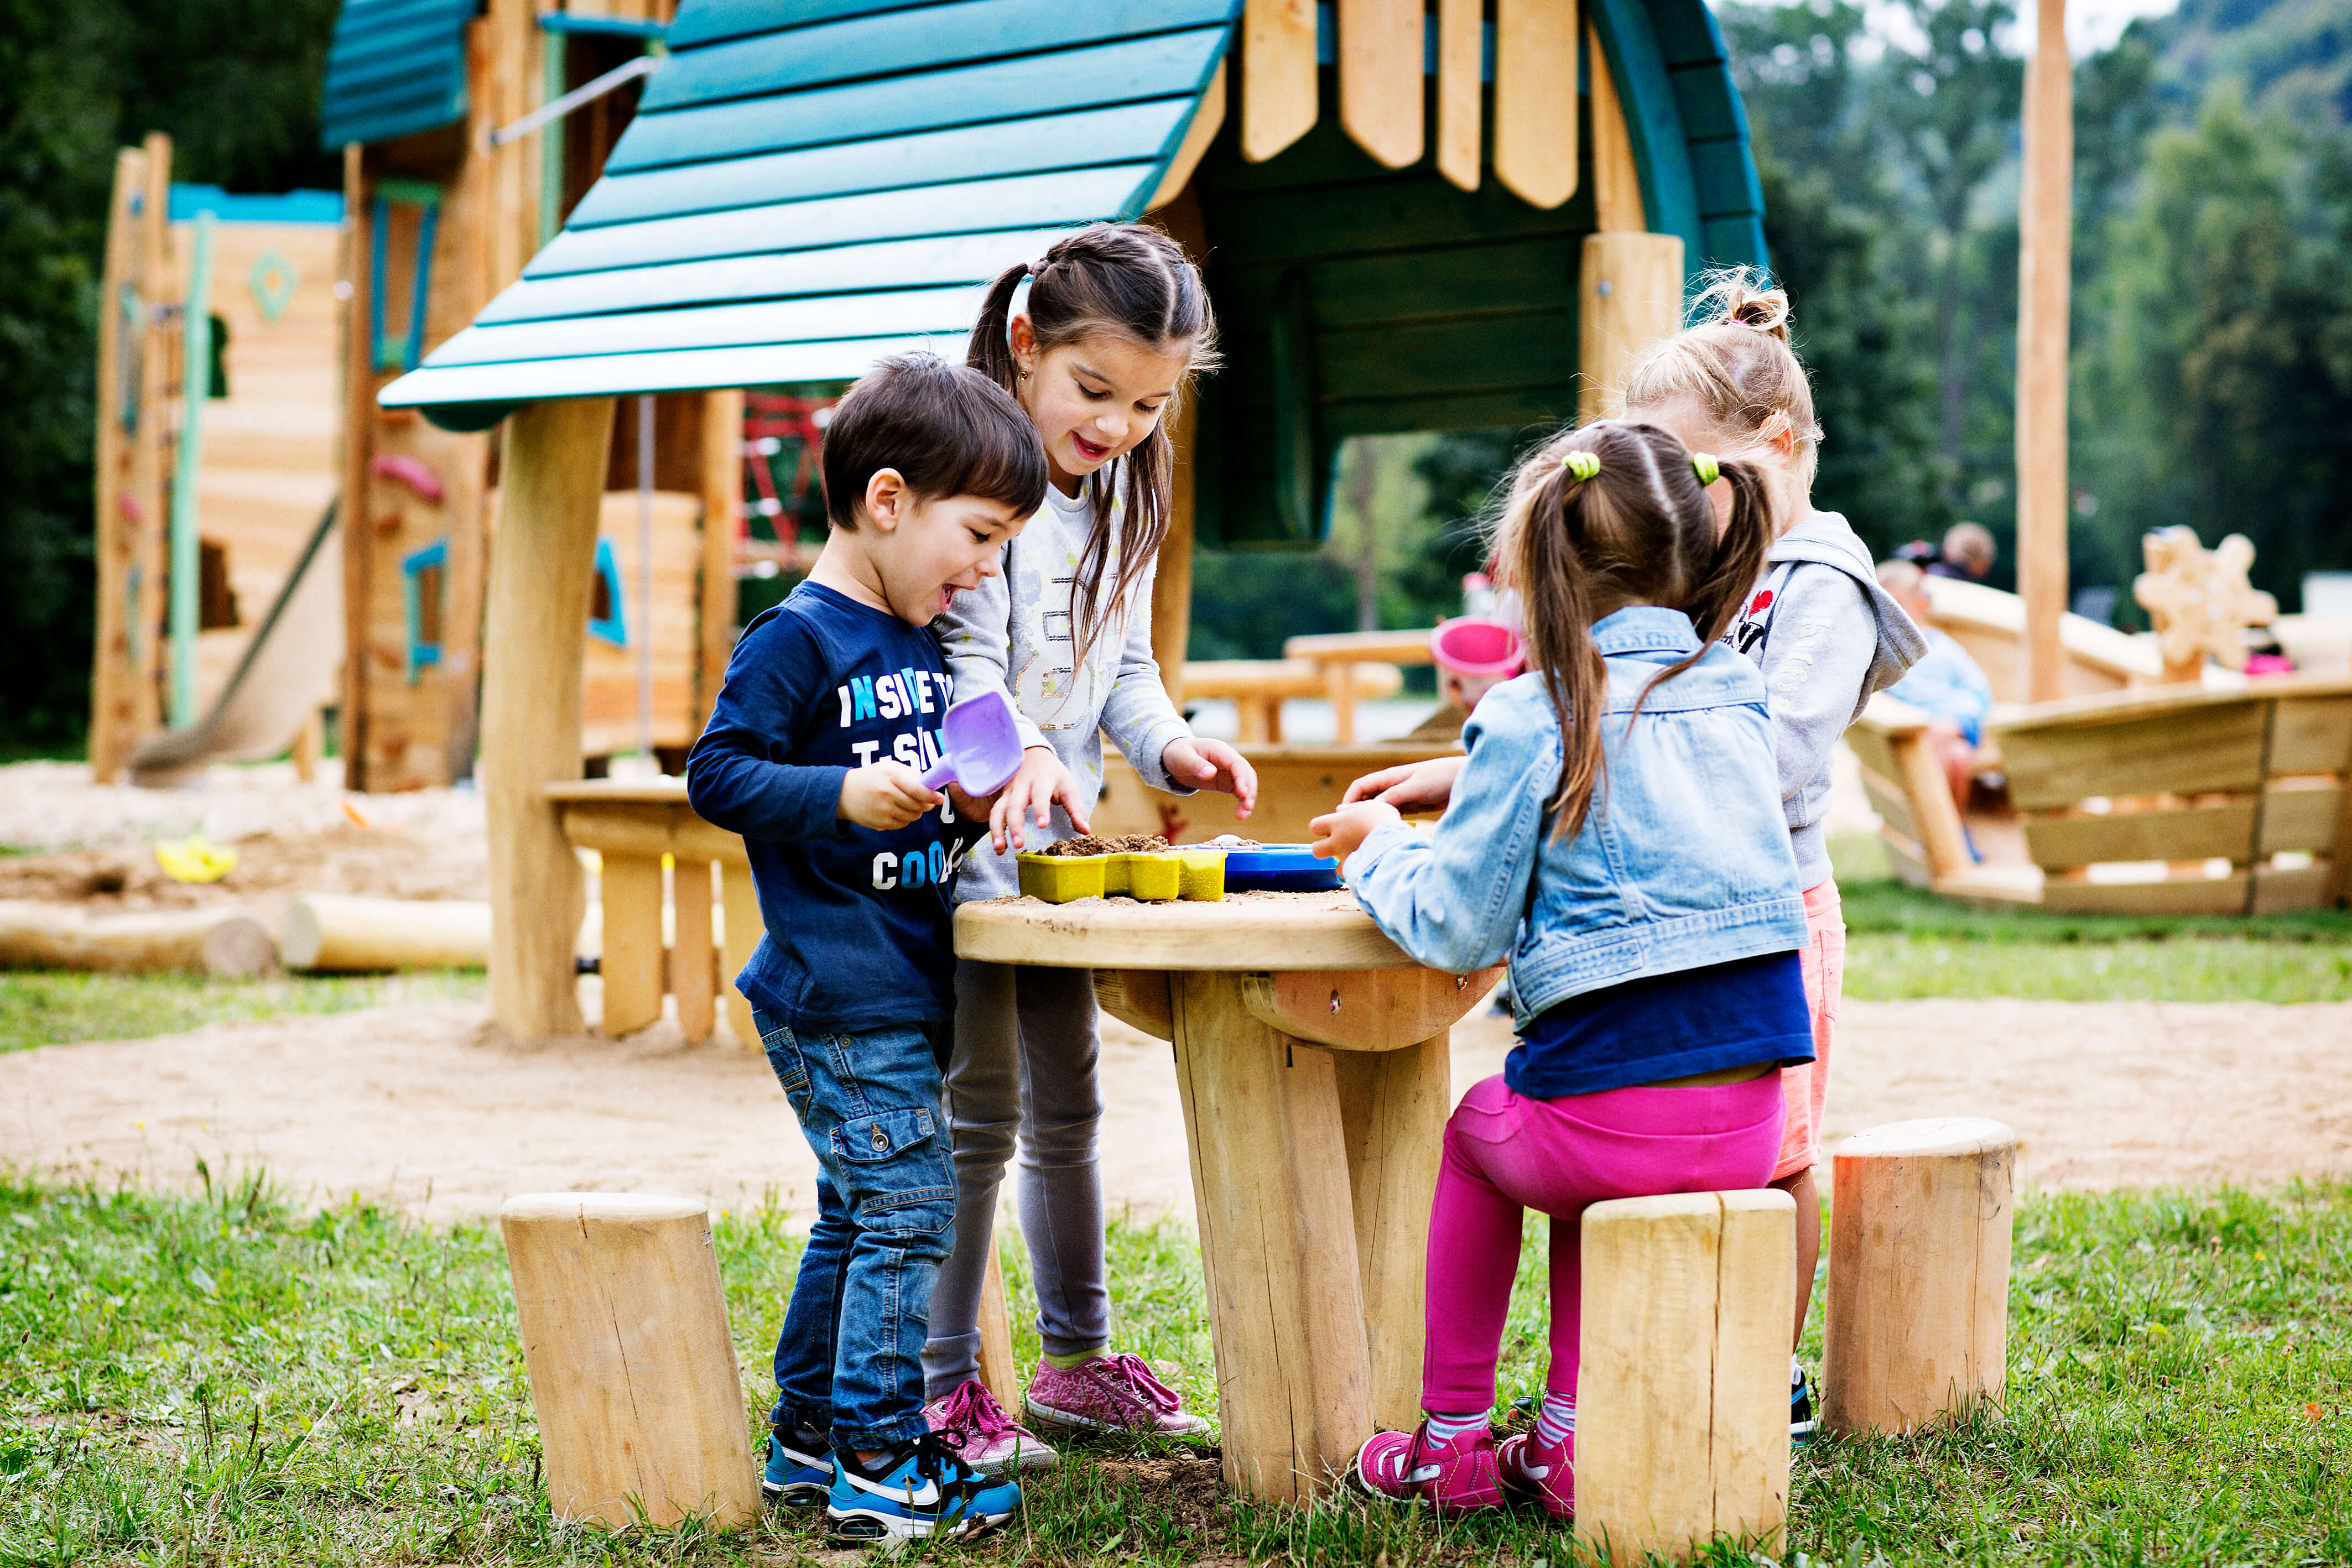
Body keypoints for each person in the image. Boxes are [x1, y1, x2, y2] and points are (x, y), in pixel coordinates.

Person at [1338, 273, 1923, 1440]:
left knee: (1771, 1156)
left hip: (1769, 912)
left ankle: (1750, 1368)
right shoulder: (1702, 625)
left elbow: (1758, 763)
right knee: (1696, 1137)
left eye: (1679, 468)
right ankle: (1579, 1413)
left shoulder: (1819, 584)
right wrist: (1492, 770)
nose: (1656, 499)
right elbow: (1651, 733)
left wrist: (1509, 771)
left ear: (1770, 447)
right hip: (1712, 955)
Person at [1307, 421, 1818, 1519]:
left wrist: (1376, 848)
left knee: (1480, 1138)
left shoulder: (1528, 707)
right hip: (1748, 1125)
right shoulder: (1731, 686)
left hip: (1603, 1125)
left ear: (1539, 567)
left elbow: (1453, 927)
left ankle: (1447, 1441)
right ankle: (1566, 1438)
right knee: (1593, 1159)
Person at [686, 353, 1042, 1542]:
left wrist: (966, 802)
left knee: (856, 1210)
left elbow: (918, 784)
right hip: (838, 985)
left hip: (895, 976)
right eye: (979, 536)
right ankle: (882, 1461)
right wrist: (841, 796)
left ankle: (806, 1436)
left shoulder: (915, 642)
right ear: (888, 502)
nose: (984, 568)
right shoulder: (798, 636)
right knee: (908, 1208)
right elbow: (718, 772)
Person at [919, 223, 1258, 1467]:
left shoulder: (1120, 485)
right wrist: (1021, 756)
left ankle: (1073, 1363)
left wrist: (1170, 748)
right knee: (978, 1119)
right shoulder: (979, 475)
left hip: (1050, 855)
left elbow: (1121, 662)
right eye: (1095, 391)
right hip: (961, 849)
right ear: (1025, 345)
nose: (1117, 424)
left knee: (1069, 1108)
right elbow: (957, 667)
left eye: (1150, 403)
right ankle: (940, 1389)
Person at [1877, 558, 1994, 816]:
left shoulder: (1943, 648)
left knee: (1954, 748)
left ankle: (1942, 833)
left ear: (1921, 604)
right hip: (1910, 733)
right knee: (1959, 757)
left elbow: (1977, 690)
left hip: (1953, 725)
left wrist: (1954, 722)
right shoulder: (1881, 654)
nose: (1891, 615)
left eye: (1898, 604)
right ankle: (1949, 831)